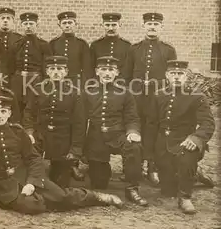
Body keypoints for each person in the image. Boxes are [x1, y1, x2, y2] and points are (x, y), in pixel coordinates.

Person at [0, 96, 124, 215]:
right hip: (2, 184)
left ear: (9, 113)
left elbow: (33, 159)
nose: (0, 115)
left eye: (4, 111)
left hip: (26, 175)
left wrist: (32, 182)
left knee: (61, 196)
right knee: (31, 207)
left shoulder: (18, 132)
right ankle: (45, 200)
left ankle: (98, 197)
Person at [148, 60, 215, 214]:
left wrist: (195, 139)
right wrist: (150, 154)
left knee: (187, 159)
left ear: (187, 76)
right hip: (163, 144)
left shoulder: (197, 97)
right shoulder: (159, 95)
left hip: (185, 142)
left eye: (180, 74)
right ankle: (194, 174)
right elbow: (151, 124)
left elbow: (208, 123)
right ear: (167, 76)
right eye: (173, 74)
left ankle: (185, 196)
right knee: (167, 191)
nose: (176, 77)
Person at [83, 56, 148, 206]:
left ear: (117, 72)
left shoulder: (125, 93)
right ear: (97, 72)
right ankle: (102, 171)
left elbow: (132, 118)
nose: (107, 73)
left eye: (111, 70)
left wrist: (133, 132)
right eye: (103, 69)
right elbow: (80, 119)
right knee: (99, 184)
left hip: (117, 135)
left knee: (134, 147)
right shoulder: (88, 92)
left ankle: (132, 188)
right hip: (96, 137)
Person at [128, 12, 177, 185]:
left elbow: (172, 76)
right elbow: (127, 75)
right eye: (149, 24)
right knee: (137, 128)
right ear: (143, 26)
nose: (152, 27)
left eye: (156, 24)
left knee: (154, 130)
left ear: (161, 27)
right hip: (137, 97)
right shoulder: (134, 49)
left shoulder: (168, 50)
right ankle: (136, 165)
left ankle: (152, 166)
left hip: (158, 98)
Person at [23, 56, 85, 188]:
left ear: (66, 72)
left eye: (60, 69)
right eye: (52, 69)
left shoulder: (74, 92)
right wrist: (29, 133)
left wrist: (75, 149)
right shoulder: (38, 89)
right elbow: (28, 112)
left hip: (62, 141)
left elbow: (79, 123)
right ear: (47, 71)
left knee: (60, 184)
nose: (56, 72)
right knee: (36, 179)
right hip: (41, 138)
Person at [6, 12, 52, 117]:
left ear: (37, 25)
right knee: (16, 106)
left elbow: (46, 67)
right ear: (21, 25)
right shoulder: (17, 44)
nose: (28, 26)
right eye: (25, 24)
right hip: (18, 80)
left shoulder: (43, 45)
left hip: (35, 80)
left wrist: (44, 82)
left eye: (31, 24)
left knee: (33, 106)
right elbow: (10, 66)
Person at [49, 11, 92, 85]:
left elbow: (86, 68)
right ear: (59, 25)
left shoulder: (82, 44)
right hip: (57, 81)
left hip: (76, 81)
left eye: (70, 23)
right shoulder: (53, 43)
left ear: (76, 24)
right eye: (64, 23)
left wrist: (84, 84)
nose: (67, 26)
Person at [90, 13, 132, 84]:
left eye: (114, 25)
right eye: (107, 25)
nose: (110, 28)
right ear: (102, 25)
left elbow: (128, 69)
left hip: (121, 84)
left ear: (120, 25)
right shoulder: (95, 45)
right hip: (100, 84)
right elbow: (91, 67)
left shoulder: (127, 46)